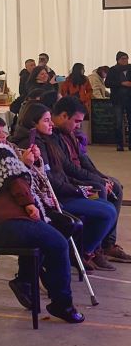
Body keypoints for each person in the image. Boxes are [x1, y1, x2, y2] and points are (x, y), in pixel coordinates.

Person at [0, 132, 83, 323]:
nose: (4, 137)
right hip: (9, 221)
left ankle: (25, 281)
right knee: (58, 242)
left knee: (46, 237)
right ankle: (62, 303)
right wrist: (29, 203)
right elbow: (17, 179)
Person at [10, 103, 116, 272]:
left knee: (102, 194)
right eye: (46, 120)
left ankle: (89, 249)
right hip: (57, 199)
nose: (51, 123)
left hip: (66, 189)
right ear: (33, 123)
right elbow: (49, 180)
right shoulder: (32, 145)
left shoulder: (49, 139)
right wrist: (78, 189)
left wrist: (94, 181)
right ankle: (83, 251)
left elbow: (68, 168)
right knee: (107, 211)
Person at [49, 96, 130, 263]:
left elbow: (83, 160)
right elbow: (67, 171)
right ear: (63, 116)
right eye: (77, 121)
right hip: (69, 188)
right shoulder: (49, 138)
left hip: (74, 181)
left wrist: (101, 176)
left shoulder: (68, 133)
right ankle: (92, 250)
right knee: (100, 191)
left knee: (114, 186)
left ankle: (107, 244)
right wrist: (94, 182)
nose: (79, 126)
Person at [105, 51, 131, 151]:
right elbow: (107, 83)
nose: (125, 61)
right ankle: (119, 144)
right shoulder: (113, 70)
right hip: (118, 100)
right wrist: (122, 83)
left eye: (126, 58)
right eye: (123, 59)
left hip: (129, 98)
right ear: (118, 60)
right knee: (118, 122)